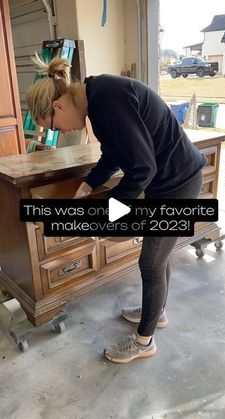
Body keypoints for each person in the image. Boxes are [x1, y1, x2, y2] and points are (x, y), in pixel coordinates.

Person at [26, 55, 206, 364]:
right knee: (158, 257)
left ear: (58, 107)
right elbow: (113, 153)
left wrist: (112, 213)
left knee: (150, 262)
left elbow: (142, 168)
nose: (63, 133)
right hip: (170, 181)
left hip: (177, 183)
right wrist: (89, 184)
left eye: (54, 128)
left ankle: (144, 341)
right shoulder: (98, 97)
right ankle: (156, 312)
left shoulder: (106, 99)